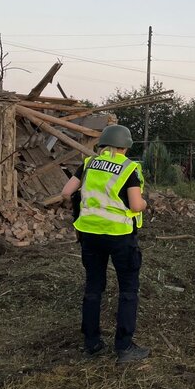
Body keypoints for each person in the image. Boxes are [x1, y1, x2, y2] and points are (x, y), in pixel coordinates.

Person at [60, 124, 149, 362]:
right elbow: (134, 205)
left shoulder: (89, 164)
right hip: (119, 236)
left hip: (89, 235)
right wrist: (145, 205)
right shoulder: (129, 168)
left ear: (103, 145)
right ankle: (124, 347)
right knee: (128, 289)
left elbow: (66, 192)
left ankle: (91, 343)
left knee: (93, 287)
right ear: (125, 147)